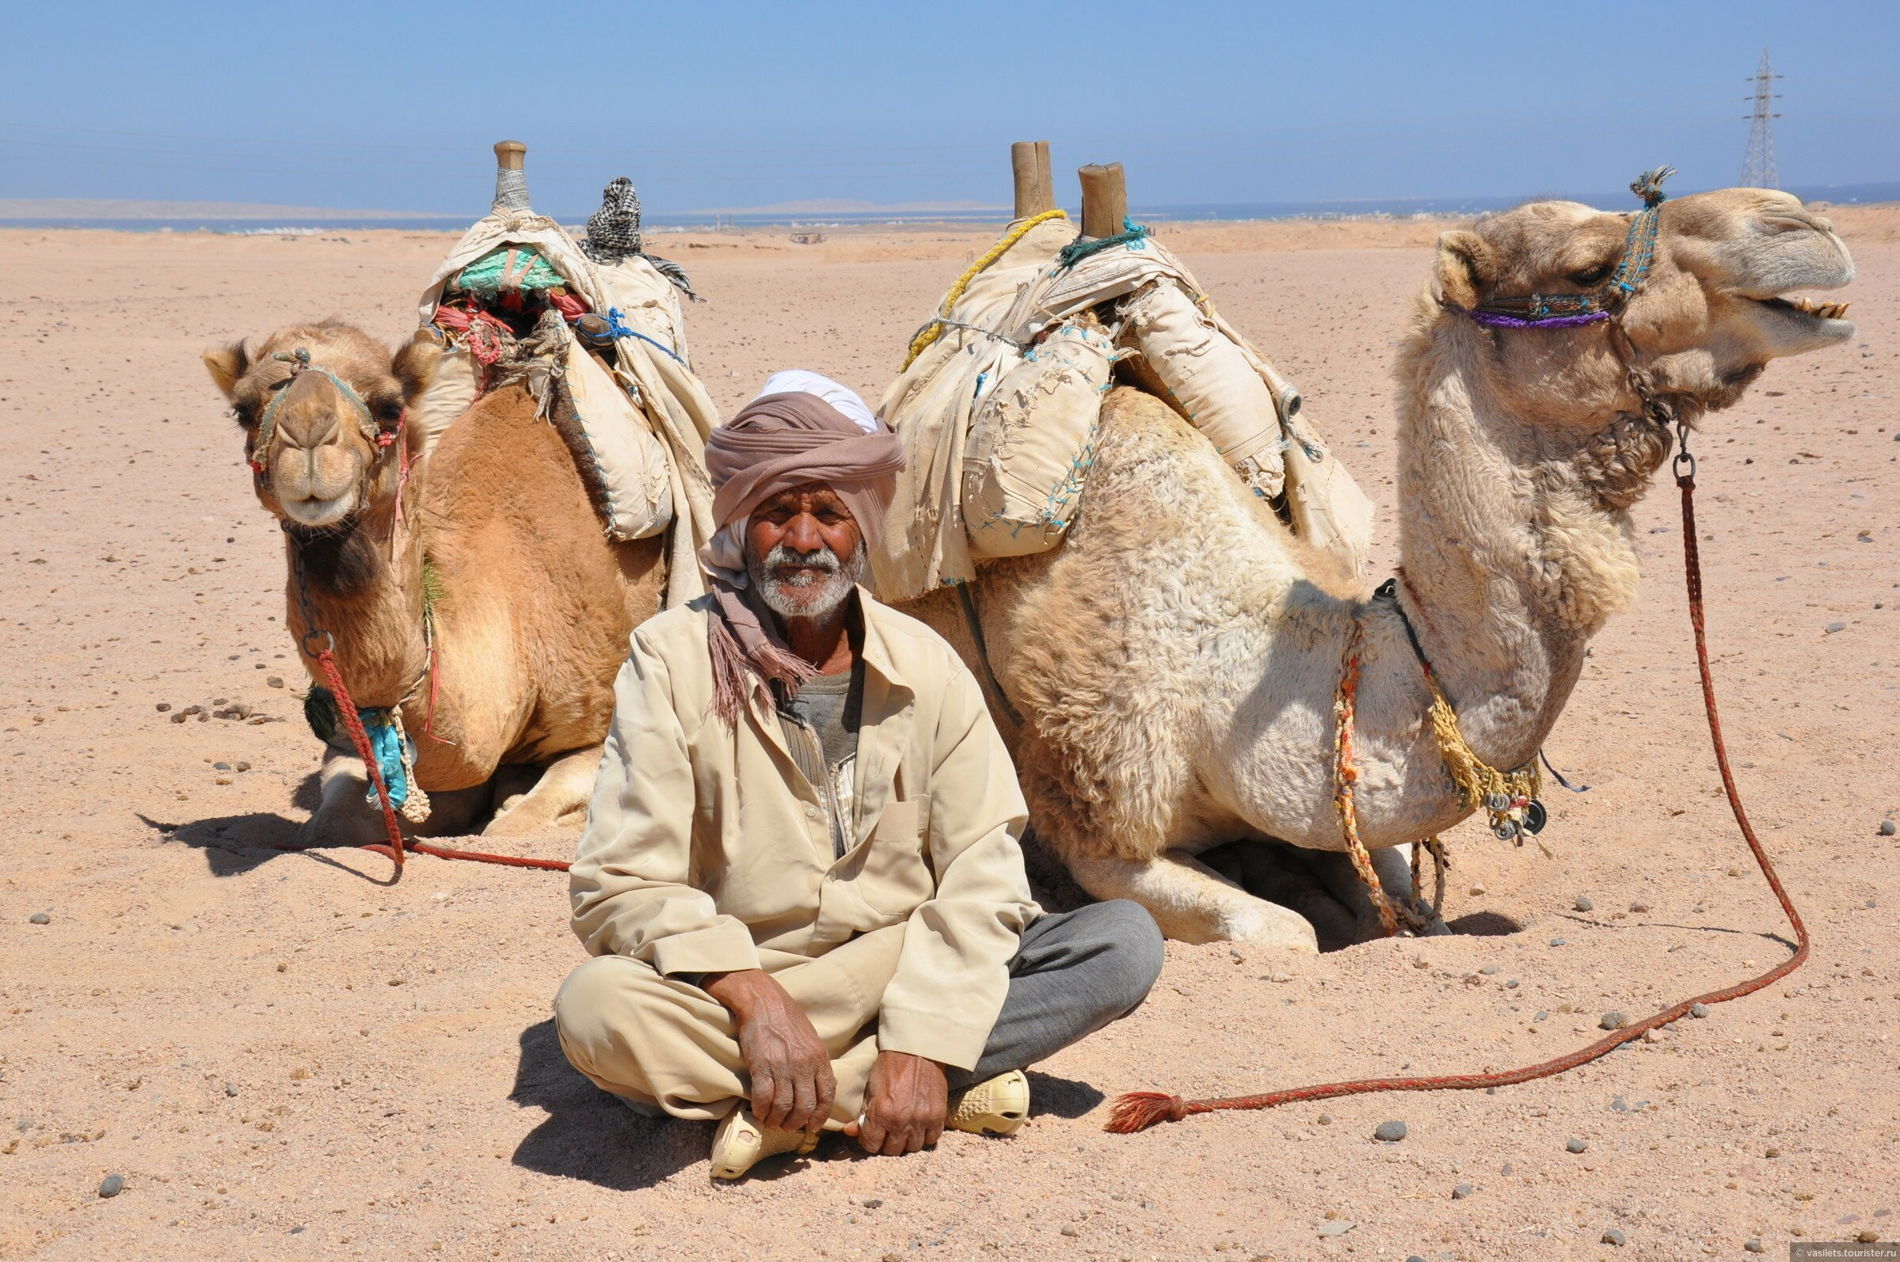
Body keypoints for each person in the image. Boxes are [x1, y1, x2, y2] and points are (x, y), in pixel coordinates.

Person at [553, 370, 1164, 1179]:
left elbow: (983, 873)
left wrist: (922, 1033)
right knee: (596, 1010)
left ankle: (795, 1102)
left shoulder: (927, 667)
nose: (803, 539)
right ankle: (902, 1089)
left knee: (1121, 942)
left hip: (906, 966)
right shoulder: (671, 660)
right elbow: (624, 882)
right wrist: (754, 996)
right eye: (777, 511)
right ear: (742, 525)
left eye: (830, 513)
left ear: (863, 529)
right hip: (740, 983)